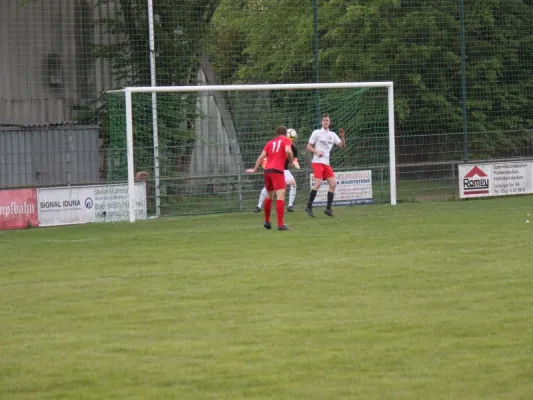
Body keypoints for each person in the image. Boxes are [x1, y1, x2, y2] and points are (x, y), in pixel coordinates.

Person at [246, 126, 294, 231]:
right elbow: (288, 151)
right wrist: (291, 161)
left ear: (276, 133)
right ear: (286, 133)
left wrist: (255, 169)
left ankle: (267, 221)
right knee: (280, 196)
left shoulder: (269, 143)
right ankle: (281, 225)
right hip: (277, 171)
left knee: (269, 196)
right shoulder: (286, 140)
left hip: (267, 171)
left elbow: (261, 156)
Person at [305, 114, 345, 217]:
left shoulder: (332, 134)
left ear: (330, 122)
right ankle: (309, 206)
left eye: (327, 120)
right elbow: (308, 146)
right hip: (317, 161)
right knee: (317, 184)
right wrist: (316, 151)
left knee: (333, 184)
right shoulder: (317, 133)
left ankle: (328, 209)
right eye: (324, 120)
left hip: (326, 163)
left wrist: (342, 137)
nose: (326, 122)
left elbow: (342, 146)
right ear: (321, 122)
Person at [254, 131, 300, 213]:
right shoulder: (279, 144)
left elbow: (295, 158)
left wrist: (295, 162)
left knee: (293, 184)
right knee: (268, 188)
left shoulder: (294, 148)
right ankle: (258, 206)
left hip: (285, 171)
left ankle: (290, 206)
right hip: (276, 169)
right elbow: (267, 156)